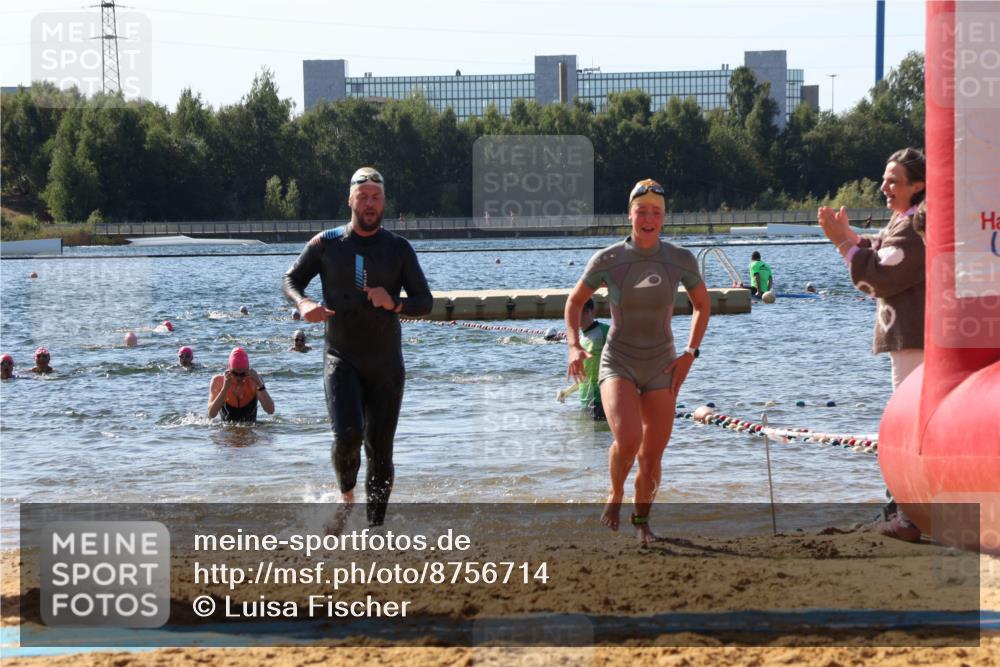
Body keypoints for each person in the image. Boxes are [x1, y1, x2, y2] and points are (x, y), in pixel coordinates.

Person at [282, 166, 433, 528]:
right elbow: (290, 280)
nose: (369, 203)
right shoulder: (326, 243)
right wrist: (304, 303)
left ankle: (375, 530)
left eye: (376, 197)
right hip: (341, 358)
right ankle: (346, 497)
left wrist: (394, 302)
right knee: (348, 435)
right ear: (350, 200)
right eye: (363, 196)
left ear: (384, 202)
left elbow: (425, 302)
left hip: (385, 365)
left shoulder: (398, 248)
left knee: (380, 453)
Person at [565, 178, 711, 544]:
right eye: (641, 211)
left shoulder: (679, 258)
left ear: (664, 218)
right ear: (629, 215)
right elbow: (574, 302)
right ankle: (615, 491)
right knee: (629, 440)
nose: (648, 219)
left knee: (651, 457)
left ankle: (642, 522)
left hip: (662, 365)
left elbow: (702, 305)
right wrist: (574, 346)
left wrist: (690, 353)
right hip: (619, 362)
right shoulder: (610, 259)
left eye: (656, 213)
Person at [818, 147, 926, 542]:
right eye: (884, 179)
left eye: (893, 181)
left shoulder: (914, 227)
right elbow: (879, 245)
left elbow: (878, 276)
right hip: (910, 338)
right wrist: (848, 236)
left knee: (908, 426)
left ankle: (909, 518)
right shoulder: (907, 219)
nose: (884, 187)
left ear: (918, 185)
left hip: (914, 339)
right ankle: (908, 512)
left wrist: (841, 243)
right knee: (909, 424)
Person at [207, 347, 274, 423]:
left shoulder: (255, 381)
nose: (239, 378)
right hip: (226, 429)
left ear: (248, 370)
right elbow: (211, 414)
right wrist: (225, 388)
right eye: (235, 373)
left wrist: (260, 384)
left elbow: (270, 411)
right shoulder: (218, 381)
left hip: (251, 429)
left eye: (243, 374)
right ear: (228, 369)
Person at [577, 298, 611, 421]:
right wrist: (566, 392)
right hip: (585, 399)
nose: (579, 316)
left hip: (601, 399)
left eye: (584, 311)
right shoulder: (580, 338)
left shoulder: (605, 331)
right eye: (576, 312)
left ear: (592, 311)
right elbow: (584, 373)